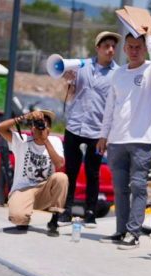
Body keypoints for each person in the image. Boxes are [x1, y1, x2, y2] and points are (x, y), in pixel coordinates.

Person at [97, 29, 151, 249]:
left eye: (139, 47)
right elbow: (110, 107)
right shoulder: (118, 74)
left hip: (141, 140)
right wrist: (103, 134)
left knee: (138, 187)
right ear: (125, 49)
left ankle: (134, 233)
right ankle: (121, 230)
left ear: (144, 48)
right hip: (117, 140)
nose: (134, 51)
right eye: (131, 47)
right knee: (120, 188)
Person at [60, 31, 121, 227]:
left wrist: (109, 134)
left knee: (93, 172)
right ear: (98, 48)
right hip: (75, 126)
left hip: (97, 131)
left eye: (113, 46)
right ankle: (66, 209)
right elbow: (70, 92)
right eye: (106, 46)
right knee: (71, 170)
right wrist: (68, 80)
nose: (111, 49)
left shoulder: (117, 74)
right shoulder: (82, 66)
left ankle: (90, 212)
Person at [0, 110, 67, 237]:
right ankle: (24, 215)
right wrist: (24, 117)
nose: (38, 128)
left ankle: (55, 219)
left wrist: (45, 141)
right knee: (18, 218)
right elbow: (0, 128)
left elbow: (59, 164)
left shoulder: (54, 141)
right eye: (35, 124)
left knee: (61, 178)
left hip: (44, 190)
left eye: (42, 125)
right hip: (23, 190)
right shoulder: (22, 140)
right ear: (31, 127)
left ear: (49, 129)